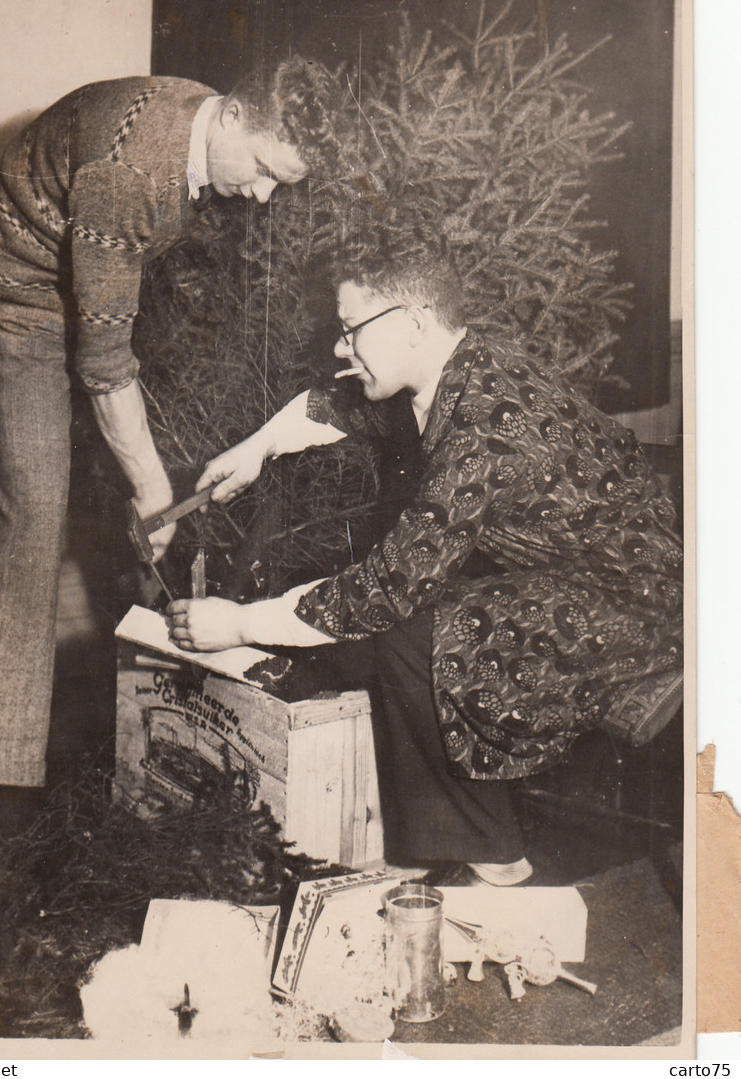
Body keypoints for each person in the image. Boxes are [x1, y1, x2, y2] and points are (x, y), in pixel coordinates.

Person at [167, 225, 683, 885]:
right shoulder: (447, 376)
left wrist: (236, 625)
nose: (338, 345)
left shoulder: (488, 424)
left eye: (352, 328)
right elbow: (334, 404)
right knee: (384, 627)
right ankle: (426, 835)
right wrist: (255, 449)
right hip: (569, 575)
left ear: (412, 321)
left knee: (412, 627)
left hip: (636, 602)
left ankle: (495, 863)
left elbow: (385, 588)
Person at [0, 57, 340, 841]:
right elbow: (103, 366)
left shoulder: (194, 130)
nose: (262, 196)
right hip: (16, 296)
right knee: (34, 514)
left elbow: (111, 318)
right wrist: (156, 496)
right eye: (263, 170)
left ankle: (153, 733)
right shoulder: (133, 172)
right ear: (231, 115)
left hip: (81, 271)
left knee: (119, 478)